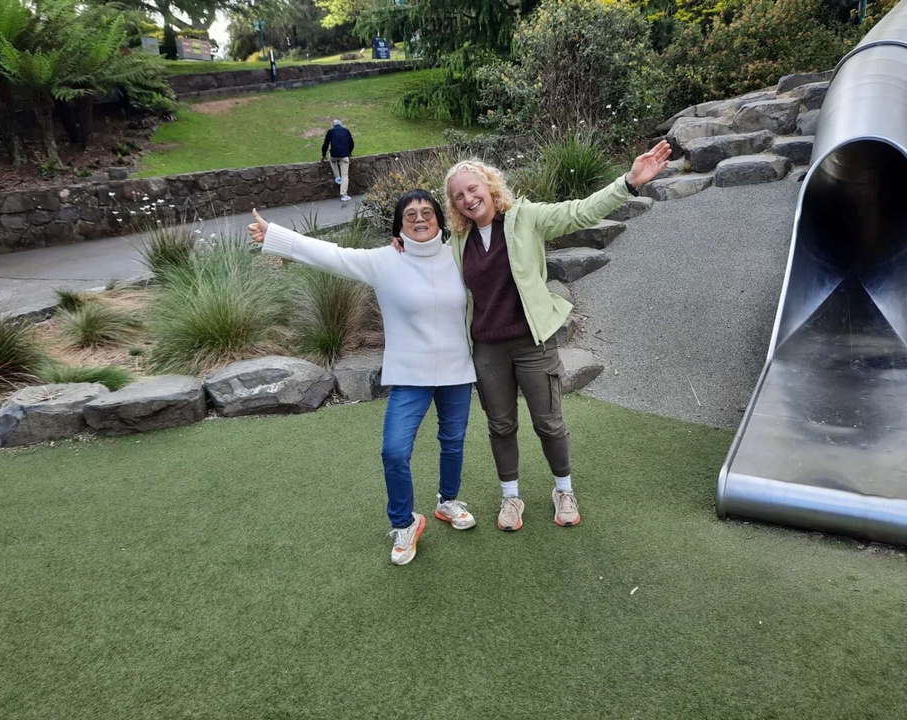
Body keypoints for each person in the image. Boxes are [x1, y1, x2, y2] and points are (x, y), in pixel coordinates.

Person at [437, 140, 672, 531]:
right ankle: (511, 497)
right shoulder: (457, 243)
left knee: (549, 421)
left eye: (473, 188)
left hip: (532, 342)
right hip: (488, 349)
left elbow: (578, 213)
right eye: (459, 195)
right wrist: (403, 243)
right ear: (454, 205)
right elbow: (425, 265)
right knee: (500, 425)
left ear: (490, 186)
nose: (468, 198)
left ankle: (563, 489)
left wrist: (629, 182)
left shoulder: (525, 217)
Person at [247, 191, 477, 566]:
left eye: (427, 213)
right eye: (410, 215)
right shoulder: (384, 261)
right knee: (394, 451)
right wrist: (274, 234)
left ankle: (447, 502)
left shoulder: (459, 255)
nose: (420, 219)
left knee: (453, 440)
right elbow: (331, 254)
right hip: (409, 374)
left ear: (440, 218)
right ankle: (405, 523)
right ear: (399, 225)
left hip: (457, 370)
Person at [321, 119, 355, 203]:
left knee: (332, 160)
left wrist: (323, 155)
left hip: (334, 155)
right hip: (344, 156)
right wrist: (349, 153)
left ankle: (337, 177)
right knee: (345, 175)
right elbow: (352, 143)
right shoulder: (346, 131)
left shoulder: (330, 131)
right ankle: (344, 195)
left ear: (333, 125)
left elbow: (325, 144)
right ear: (341, 124)